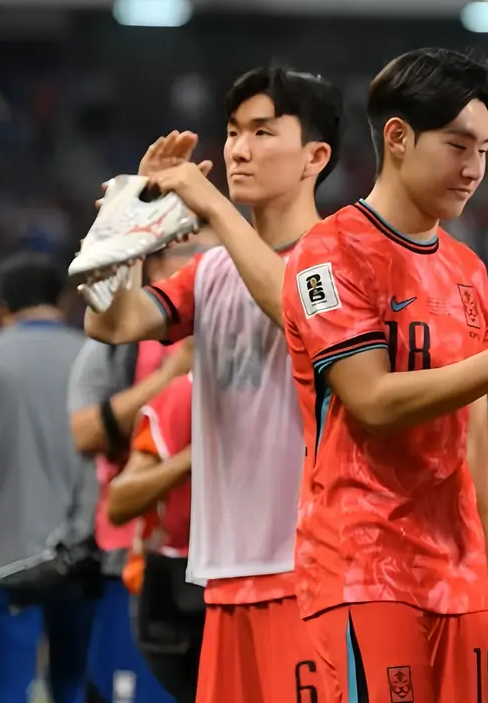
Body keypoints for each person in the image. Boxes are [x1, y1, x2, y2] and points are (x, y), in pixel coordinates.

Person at [281, 48, 488, 702]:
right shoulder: (325, 256)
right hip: (364, 566)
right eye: (458, 146)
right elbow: (374, 401)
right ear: (397, 137)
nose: (475, 169)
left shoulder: (469, 270)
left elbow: (475, 440)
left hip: (459, 577)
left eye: (486, 150)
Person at [82, 66, 343, 702]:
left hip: (311, 571)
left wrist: (211, 207)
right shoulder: (209, 272)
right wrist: (123, 232)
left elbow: (295, 312)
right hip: (223, 574)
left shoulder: (343, 255)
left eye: (261, 131)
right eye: (231, 133)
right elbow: (110, 322)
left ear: (315, 156)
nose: (238, 150)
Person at [68, 239, 207, 703]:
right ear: (153, 267)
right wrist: (171, 378)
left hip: (242, 568)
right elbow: (86, 434)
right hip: (142, 558)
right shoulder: (120, 345)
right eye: (184, 256)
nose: (198, 268)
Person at [0, 253, 94, 703]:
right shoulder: (97, 357)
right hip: (86, 557)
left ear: (1, 305)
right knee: (76, 686)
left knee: (5, 691)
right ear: (62, 301)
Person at [107, 339, 198, 702]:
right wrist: (193, 456)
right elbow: (120, 501)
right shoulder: (183, 395)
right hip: (179, 588)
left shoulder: (292, 386)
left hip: (270, 577)